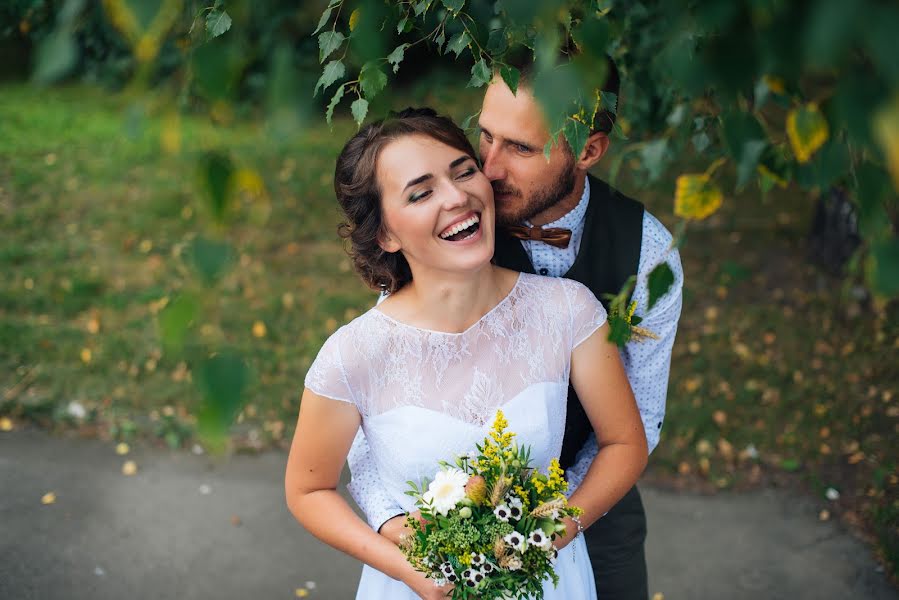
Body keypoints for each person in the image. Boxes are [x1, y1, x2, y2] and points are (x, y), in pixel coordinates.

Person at [348, 60, 684, 600]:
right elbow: (376, 409)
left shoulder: (648, 253)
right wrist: (398, 524)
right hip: (447, 525)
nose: (489, 168)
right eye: (485, 136)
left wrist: (545, 523)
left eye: (521, 148)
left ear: (590, 150)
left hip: (594, 509)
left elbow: (641, 416)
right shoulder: (444, 228)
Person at [285, 108, 648, 599]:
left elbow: (625, 442)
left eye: (463, 171)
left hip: (548, 581)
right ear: (385, 234)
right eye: (421, 192)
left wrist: (549, 537)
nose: (458, 197)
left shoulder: (567, 312)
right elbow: (309, 490)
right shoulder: (354, 355)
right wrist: (405, 569)